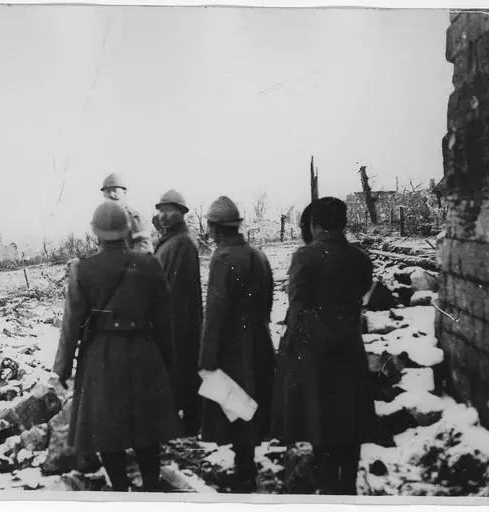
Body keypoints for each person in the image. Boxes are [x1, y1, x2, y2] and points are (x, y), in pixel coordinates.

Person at [52, 201, 179, 492]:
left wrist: (60, 370)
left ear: (95, 233)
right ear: (127, 230)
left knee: (106, 429)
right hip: (143, 352)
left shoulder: (83, 269)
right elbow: (164, 322)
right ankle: (150, 487)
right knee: (147, 427)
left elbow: (70, 326)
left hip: (101, 356)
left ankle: (120, 490)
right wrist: (167, 362)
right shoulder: (149, 264)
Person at [274, 197, 374, 495]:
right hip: (351, 354)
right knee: (350, 425)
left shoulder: (304, 257)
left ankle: (330, 493)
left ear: (315, 225)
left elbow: (299, 309)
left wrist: (323, 340)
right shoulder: (360, 258)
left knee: (323, 429)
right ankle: (348, 489)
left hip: (319, 359)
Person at [198, 196, 275, 493]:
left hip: (232, 348)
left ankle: (243, 475)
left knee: (236, 406)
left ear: (215, 228)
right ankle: (247, 467)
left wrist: (206, 358)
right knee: (252, 405)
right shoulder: (259, 255)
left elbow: (215, 313)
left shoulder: (223, 258)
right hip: (259, 341)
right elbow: (267, 302)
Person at [153, 190, 203, 437]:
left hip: (179, 320)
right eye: (160, 210)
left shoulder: (182, 242)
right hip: (169, 318)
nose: (163, 215)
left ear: (182, 212)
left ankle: (190, 421)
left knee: (184, 371)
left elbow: (178, 289)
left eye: (168, 210)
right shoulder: (170, 240)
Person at [101, 173, 154, 254]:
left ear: (124, 192)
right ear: (104, 194)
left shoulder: (134, 218)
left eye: (115, 190)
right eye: (108, 191)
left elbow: (144, 251)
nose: (111, 194)